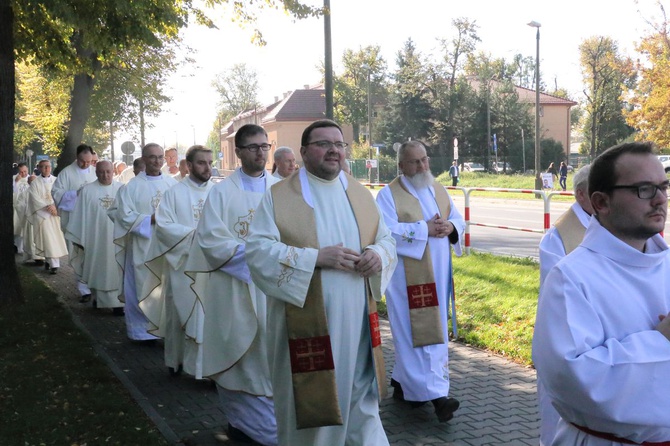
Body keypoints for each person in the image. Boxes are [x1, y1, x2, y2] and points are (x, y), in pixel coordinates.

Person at [246, 119, 397, 446]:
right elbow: (258, 251)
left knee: (361, 402)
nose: (334, 150)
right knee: (314, 416)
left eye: (339, 144)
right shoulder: (279, 197)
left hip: (357, 323)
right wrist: (315, 258)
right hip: (308, 328)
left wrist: (377, 254)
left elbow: (387, 239)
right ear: (303, 152)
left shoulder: (360, 194)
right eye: (324, 144)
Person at [533, 142, 670, 445]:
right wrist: (660, 341)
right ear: (601, 202)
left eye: (664, 186)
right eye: (644, 189)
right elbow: (573, 382)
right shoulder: (571, 278)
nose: (660, 199)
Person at [184, 124, 280, 445]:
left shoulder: (282, 189)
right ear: (238, 152)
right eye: (253, 147)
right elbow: (211, 241)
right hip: (236, 289)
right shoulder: (222, 193)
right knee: (243, 356)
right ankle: (243, 425)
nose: (260, 152)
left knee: (273, 356)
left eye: (264, 146)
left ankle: (273, 424)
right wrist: (258, 258)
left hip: (277, 289)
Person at [376, 140, 465, 423]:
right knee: (417, 336)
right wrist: (423, 229)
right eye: (415, 162)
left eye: (424, 159)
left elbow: (458, 220)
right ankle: (438, 397)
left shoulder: (437, 189)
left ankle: (405, 385)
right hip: (407, 280)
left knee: (433, 333)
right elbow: (385, 231)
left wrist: (451, 227)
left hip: (437, 276)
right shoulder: (388, 195)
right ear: (401, 166)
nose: (422, 166)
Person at [140, 145, 214, 378]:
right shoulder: (174, 193)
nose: (207, 167)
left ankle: (206, 369)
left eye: (210, 163)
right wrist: (196, 237)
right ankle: (176, 361)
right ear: (189, 166)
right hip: (183, 263)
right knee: (181, 314)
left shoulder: (219, 192)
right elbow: (164, 227)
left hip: (213, 265)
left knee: (209, 316)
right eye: (202, 163)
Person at [536, 164, 592, 446]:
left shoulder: (609, 226)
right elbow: (557, 288)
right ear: (582, 195)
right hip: (568, 338)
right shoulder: (558, 236)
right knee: (558, 419)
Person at [108, 143, 177, 341]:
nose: (157, 161)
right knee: (141, 286)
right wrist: (150, 220)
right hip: (142, 245)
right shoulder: (132, 187)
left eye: (160, 157)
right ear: (144, 159)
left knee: (165, 287)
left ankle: (164, 327)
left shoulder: (172, 185)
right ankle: (141, 332)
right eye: (152, 157)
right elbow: (122, 215)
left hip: (167, 243)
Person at [66, 160, 124, 313]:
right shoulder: (87, 191)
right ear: (96, 172)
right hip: (95, 239)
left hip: (117, 238)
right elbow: (79, 215)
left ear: (113, 172)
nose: (105, 175)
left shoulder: (122, 189)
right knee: (98, 268)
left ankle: (119, 304)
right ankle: (99, 299)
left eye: (108, 172)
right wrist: (79, 238)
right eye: (101, 172)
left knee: (117, 269)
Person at [52, 144, 96, 298]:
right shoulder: (66, 173)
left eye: (89, 162)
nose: (86, 165)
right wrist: (75, 194)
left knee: (92, 254)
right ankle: (84, 289)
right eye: (83, 161)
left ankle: (94, 285)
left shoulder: (95, 172)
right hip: (73, 220)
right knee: (78, 253)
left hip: (91, 220)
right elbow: (56, 193)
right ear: (77, 158)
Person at [26, 159, 68, 274]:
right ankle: (54, 264)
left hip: (55, 215)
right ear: (39, 168)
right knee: (47, 239)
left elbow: (62, 195)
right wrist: (48, 206)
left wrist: (55, 207)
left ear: (51, 167)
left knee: (55, 239)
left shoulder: (57, 181)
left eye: (48, 166)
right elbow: (34, 199)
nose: (46, 169)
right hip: (42, 216)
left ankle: (50, 262)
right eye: (43, 166)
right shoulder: (35, 183)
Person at [13, 162, 30, 254]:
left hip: (27, 207)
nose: (23, 174)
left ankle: (24, 247)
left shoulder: (32, 179)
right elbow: (12, 192)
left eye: (25, 171)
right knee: (17, 226)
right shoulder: (14, 179)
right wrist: (15, 182)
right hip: (17, 207)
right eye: (21, 172)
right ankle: (16, 245)